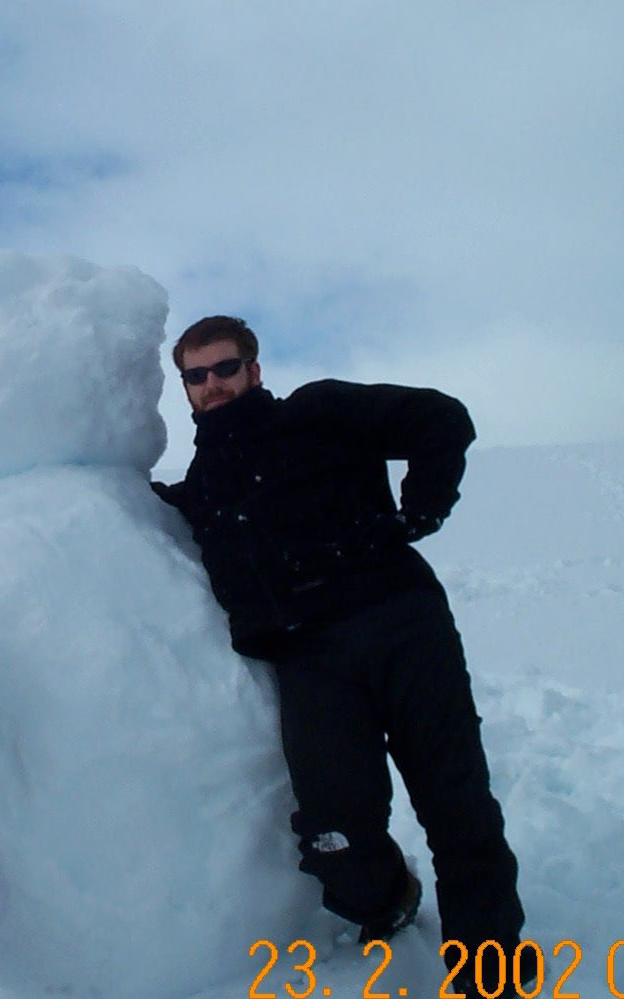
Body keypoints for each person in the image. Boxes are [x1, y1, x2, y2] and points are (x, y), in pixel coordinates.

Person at [153, 315, 526, 990]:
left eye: (226, 368)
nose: (213, 384)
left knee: (456, 804)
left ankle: (487, 968)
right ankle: (387, 898)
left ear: (254, 371)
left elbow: (441, 419)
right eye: (197, 375)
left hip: (401, 624)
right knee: (334, 835)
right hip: (311, 659)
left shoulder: (318, 412)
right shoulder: (201, 486)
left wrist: (421, 510)